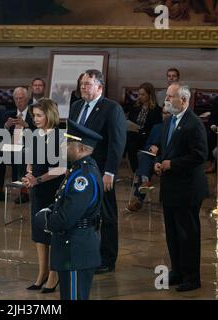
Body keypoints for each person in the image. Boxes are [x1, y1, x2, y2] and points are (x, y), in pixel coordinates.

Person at [35, 119, 103, 300]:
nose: (64, 146)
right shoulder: (77, 170)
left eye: (68, 143)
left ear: (80, 149)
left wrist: (47, 221)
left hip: (76, 249)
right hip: (71, 247)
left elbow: (67, 216)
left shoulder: (83, 178)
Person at [68, 69, 126, 274]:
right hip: (79, 170)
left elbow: (117, 143)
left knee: (107, 215)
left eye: (88, 84)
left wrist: (110, 172)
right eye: (82, 83)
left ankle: (108, 259)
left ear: (100, 87)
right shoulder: (76, 106)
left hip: (101, 171)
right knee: (82, 213)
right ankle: (87, 253)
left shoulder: (112, 108)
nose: (83, 87)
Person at [155, 83, 208, 292]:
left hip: (188, 189)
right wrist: (159, 162)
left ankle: (192, 277)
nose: (167, 100)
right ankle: (177, 271)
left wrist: (172, 164)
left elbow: (199, 155)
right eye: (167, 96)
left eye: (171, 97)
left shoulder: (194, 123)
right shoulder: (169, 121)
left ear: (184, 100)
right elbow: (165, 149)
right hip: (170, 187)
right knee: (172, 233)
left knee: (188, 234)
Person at [22, 98, 65, 293]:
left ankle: (54, 274)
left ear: (50, 114)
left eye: (39, 115)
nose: (35, 119)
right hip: (37, 189)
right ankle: (42, 272)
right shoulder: (34, 135)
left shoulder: (62, 136)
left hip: (53, 189)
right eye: (34, 116)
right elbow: (30, 160)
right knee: (39, 232)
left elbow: (62, 169)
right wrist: (29, 174)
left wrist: (37, 180)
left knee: (53, 232)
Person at [0, 87, 36, 204]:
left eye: (22, 98)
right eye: (16, 98)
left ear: (27, 99)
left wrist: (27, 125)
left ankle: (23, 192)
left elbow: (40, 133)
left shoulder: (34, 114)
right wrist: (5, 126)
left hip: (28, 147)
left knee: (21, 154)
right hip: (11, 145)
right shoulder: (8, 114)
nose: (19, 101)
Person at [127, 106, 171, 212]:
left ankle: (138, 197)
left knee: (144, 161)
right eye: (164, 113)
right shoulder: (156, 127)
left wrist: (158, 150)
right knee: (144, 156)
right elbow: (147, 144)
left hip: (166, 158)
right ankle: (144, 182)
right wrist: (150, 148)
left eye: (168, 113)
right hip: (151, 158)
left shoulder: (174, 129)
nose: (165, 116)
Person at [125, 82, 162, 173]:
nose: (140, 97)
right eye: (139, 94)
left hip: (146, 136)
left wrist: (141, 130)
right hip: (134, 134)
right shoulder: (136, 106)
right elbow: (130, 121)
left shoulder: (156, 110)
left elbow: (156, 128)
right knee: (128, 139)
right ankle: (137, 172)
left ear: (149, 95)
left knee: (130, 145)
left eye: (143, 94)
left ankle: (137, 172)